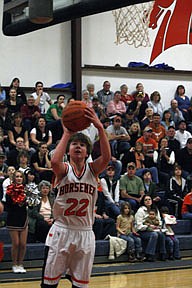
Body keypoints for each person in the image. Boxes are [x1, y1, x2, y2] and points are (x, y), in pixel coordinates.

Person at [41, 106, 111, 288]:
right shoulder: (64, 170)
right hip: (62, 230)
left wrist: (100, 128)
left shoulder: (93, 170)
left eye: (82, 145)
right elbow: (55, 161)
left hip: (85, 232)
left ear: (87, 152)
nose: (78, 146)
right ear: (68, 150)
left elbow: (106, 157)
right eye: (74, 144)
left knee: (80, 286)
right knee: (49, 284)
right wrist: (67, 134)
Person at [5, 170, 28, 273]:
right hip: (13, 218)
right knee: (16, 243)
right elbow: (8, 205)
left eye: (21, 177)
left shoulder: (27, 190)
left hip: (23, 218)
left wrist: (29, 201)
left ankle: (20, 264)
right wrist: (18, 201)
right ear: (14, 178)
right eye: (17, 177)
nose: (19, 178)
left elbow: (30, 204)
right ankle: (14, 264)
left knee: (23, 244)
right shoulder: (9, 190)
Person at [134, 195, 166, 262]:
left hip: (154, 229)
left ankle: (162, 253)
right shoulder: (140, 211)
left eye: (149, 199)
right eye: (146, 200)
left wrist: (157, 226)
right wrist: (149, 227)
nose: (148, 201)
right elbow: (138, 226)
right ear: (143, 202)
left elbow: (159, 221)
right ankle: (149, 254)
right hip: (142, 231)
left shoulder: (155, 209)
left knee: (161, 234)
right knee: (154, 234)